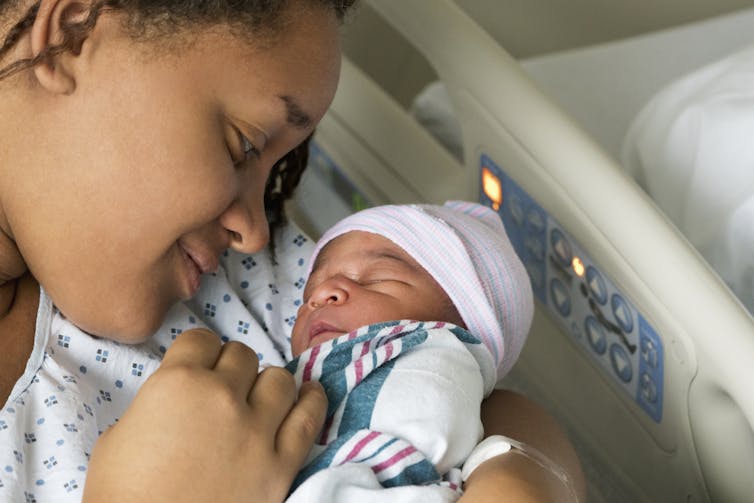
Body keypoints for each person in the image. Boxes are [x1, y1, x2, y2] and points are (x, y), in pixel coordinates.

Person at [0, 1, 584, 501]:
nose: (251, 230)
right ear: (71, 33)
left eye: (274, 166)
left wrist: (520, 470)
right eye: (242, 146)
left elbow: (472, 376)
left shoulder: (238, 280)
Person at [284, 201, 582, 502]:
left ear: (461, 329)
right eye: (309, 294)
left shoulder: (432, 370)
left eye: (377, 279)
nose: (321, 294)